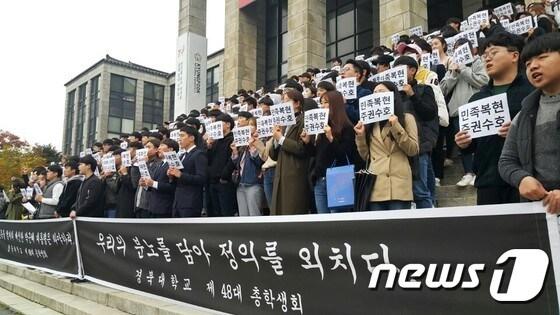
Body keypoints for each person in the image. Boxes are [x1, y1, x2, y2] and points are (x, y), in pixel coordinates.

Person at [455, 32, 534, 205]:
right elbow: (473, 145)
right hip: (488, 182)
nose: (487, 59)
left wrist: (517, 133)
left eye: (494, 53)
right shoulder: (477, 100)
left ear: (514, 55)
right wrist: (464, 143)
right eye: (485, 55)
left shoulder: (533, 92)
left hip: (528, 180)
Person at [499, 32, 560, 214]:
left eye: (542, 57)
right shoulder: (524, 114)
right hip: (543, 212)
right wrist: (521, 179)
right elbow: (506, 161)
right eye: (527, 64)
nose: (533, 66)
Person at [354, 81, 419, 210]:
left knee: (398, 228)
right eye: (375, 92)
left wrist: (396, 126)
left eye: (381, 91)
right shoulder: (371, 124)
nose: (377, 95)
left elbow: (413, 150)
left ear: (392, 95)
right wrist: (360, 136)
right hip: (376, 186)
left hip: (399, 186)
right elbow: (365, 156)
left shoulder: (406, 118)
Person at [440, 38, 489, 187]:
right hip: (457, 111)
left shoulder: (478, 62)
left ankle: (480, 172)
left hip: (476, 108)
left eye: (462, 48)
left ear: (471, 49)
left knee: (480, 142)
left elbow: (484, 81)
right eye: (456, 49)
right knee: (463, 143)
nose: (459, 52)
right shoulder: (452, 66)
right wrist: (453, 73)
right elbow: (443, 88)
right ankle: (468, 172)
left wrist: (464, 70)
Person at [393, 56, 439, 208]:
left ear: (412, 70)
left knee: (420, 190)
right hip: (401, 145)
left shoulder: (424, 89)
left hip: (420, 144)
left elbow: (429, 113)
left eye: (401, 69)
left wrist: (413, 95)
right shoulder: (393, 96)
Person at [301, 90, 356, 213]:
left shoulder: (347, 128)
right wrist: (307, 142)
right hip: (320, 180)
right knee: (324, 223)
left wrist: (331, 138)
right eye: (321, 103)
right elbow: (316, 154)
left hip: (338, 181)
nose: (323, 106)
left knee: (338, 224)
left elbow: (344, 154)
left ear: (335, 104)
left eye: (326, 102)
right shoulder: (322, 128)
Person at [269, 89, 311, 215]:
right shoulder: (283, 124)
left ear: (297, 103)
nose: (283, 104)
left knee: (292, 210)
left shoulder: (303, 119)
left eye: (287, 101)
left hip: (295, 173)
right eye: (282, 101)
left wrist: (280, 139)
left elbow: (301, 148)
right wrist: (276, 140)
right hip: (281, 173)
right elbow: (274, 155)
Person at [168, 126, 208, 217]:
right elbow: (178, 179)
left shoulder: (199, 154)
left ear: (192, 138)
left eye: (182, 136)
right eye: (179, 136)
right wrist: (171, 176)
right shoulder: (182, 156)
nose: (179, 139)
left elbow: (201, 178)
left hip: (191, 202)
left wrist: (180, 174)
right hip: (178, 202)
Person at [231, 117, 265, 216]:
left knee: (254, 213)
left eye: (252, 124)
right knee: (243, 215)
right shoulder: (243, 145)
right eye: (248, 124)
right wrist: (235, 152)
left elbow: (260, 162)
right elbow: (238, 164)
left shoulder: (260, 142)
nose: (249, 127)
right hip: (241, 184)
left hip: (254, 184)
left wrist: (253, 148)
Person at [206, 114, 236, 216]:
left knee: (226, 212)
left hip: (225, 181)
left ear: (228, 124)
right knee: (215, 212)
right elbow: (209, 160)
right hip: (213, 181)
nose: (216, 126)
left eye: (219, 123)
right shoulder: (216, 141)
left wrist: (224, 176)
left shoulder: (233, 139)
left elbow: (232, 160)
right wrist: (209, 147)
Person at [143, 139, 178, 218]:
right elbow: (154, 184)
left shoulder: (174, 164)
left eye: (162, 145)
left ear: (171, 149)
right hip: (153, 206)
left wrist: (153, 183)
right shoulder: (161, 164)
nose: (159, 148)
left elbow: (173, 187)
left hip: (165, 207)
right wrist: (146, 184)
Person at [340, 59, 373, 124]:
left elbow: (360, 116)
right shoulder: (338, 93)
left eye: (347, 69)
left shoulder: (365, 93)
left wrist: (345, 104)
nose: (342, 72)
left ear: (357, 75)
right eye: (342, 70)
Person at [116, 142, 142, 218]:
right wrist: (121, 175)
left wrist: (125, 174)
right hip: (121, 201)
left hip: (129, 203)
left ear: (136, 150)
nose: (127, 151)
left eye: (129, 148)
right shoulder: (128, 165)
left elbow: (133, 186)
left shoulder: (137, 166)